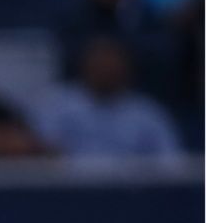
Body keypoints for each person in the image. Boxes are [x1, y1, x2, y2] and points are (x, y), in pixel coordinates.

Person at [32, 34, 184, 160]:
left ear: (126, 68)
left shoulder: (147, 113)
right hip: (67, 190)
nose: (105, 71)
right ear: (85, 65)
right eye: (100, 64)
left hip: (132, 191)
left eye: (111, 65)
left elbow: (171, 164)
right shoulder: (56, 104)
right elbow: (38, 151)